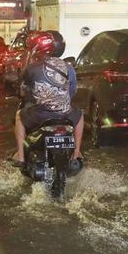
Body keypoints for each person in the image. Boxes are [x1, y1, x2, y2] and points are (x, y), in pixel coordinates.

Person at [11, 31, 84, 165]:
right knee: (80, 116)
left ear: (35, 49)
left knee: (18, 117)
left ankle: (20, 156)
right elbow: (72, 91)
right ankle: (76, 152)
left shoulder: (31, 68)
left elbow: (23, 93)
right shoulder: (68, 67)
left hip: (40, 114)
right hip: (65, 114)